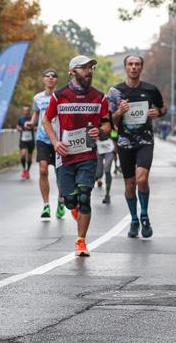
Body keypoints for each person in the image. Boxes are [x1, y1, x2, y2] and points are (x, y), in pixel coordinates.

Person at [43, 55, 111, 257]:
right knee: (70, 200)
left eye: (91, 68)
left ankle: (81, 241)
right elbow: (47, 121)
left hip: (88, 155)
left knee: (85, 196)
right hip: (65, 157)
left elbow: (107, 125)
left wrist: (101, 131)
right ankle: (73, 208)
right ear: (72, 71)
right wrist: (55, 142)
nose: (89, 71)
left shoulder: (100, 97)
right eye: (84, 68)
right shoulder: (59, 96)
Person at [108, 55, 166, 239]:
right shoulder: (116, 91)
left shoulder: (150, 89)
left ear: (141, 68)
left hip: (145, 140)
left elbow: (163, 108)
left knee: (142, 179)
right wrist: (120, 111)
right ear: (125, 67)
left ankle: (145, 216)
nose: (134, 67)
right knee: (130, 184)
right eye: (130, 64)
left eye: (137, 64)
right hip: (124, 142)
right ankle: (134, 219)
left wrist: (158, 112)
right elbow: (109, 120)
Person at [25, 68, 65, 219]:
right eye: (47, 76)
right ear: (43, 80)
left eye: (53, 76)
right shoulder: (38, 98)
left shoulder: (61, 97)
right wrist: (31, 122)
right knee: (43, 170)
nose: (50, 78)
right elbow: (36, 113)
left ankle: (61, 201)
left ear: (56, 80)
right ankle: (46, 205)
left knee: (60, 174)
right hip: (42, 138)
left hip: (59, 140)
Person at [95, 134, 115, 204]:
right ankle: (98, 178)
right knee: (98, 172)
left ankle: (107, 194)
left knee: (107, 169)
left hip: (109, 146)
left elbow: (116, 130)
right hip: (99, 146)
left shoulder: (110, 123)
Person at [16, 105, 34, 180]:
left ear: (29, 111)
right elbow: (17, 126)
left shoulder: (32, 119)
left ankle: (28, 171)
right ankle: (24, 169)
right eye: (25, 110)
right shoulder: (20, 119)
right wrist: (20, 128)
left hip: (30, 140)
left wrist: (32, 127)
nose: (26, 111)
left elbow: (36, 126)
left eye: (27, 110)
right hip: (23, 139)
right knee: (23, 154)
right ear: (23, 111)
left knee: (29, 157)